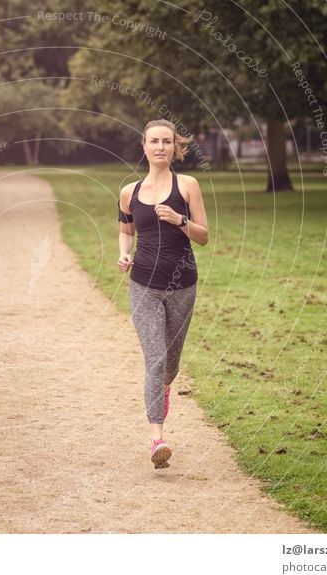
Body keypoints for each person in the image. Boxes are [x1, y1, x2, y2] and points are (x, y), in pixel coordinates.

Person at [117, 119, 209, 469]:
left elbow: (203, 236)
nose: (160, 147)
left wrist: (178, 220)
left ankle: (164, 388)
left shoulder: (187, 186)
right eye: (153, 141)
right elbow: (125, 231)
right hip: (143, 285)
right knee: (155, 359)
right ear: (144, 146)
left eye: (166, 142)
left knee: (170, 363)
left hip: (183, 283)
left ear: (175, 147)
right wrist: (124, 252)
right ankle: (158, 438)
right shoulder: (130, 192)